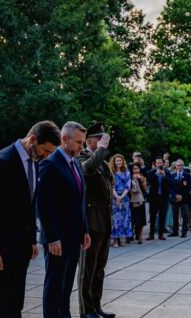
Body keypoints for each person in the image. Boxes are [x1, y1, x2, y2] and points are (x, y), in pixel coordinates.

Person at [0, 121, 60, 317]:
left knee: (15, 304)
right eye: (45, 150)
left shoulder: (34, 163)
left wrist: (31, 240)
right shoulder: (2, 161)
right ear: (32, 139)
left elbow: (28, 204)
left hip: (20, 249)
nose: (46, 156)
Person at [37, 121, 92, 318]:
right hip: (57, 240)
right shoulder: (49, 164)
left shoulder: (76, 163)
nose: (81, 147)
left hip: (74, 237)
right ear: (64, 139)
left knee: (67, 286)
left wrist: (85, 230)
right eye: (78, 142)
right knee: (54, 286)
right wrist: (52, 237)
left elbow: (80, 199)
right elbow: (44, 205)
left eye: (83, 142)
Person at [76, 122, 115, 318]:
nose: (102, 142)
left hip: (104, 221)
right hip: (91, 222)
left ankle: (96, 306)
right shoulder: (82, 157)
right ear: (89, 141)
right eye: (98, 139)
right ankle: (86, 310)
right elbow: (86, 170)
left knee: (99, 269)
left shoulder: (103, 162)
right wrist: (100, 150)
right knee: (87, 270)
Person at [110, 154, 132, 247]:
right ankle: (115, 240)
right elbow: (111, 186)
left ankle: (120, 239)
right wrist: (117, 197)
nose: (118, 162)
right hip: (114, 197)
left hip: (124, 198)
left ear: (123, 161)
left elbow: (128, 185)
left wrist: (121, 196)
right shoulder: (111, 172)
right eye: (117, 161)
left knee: (124, 219)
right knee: (115, 219)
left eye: (120, 160)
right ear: (114, 162)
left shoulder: (126, 172)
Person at [147, 157, 171, 240]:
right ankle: (151, 234)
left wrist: (164, 176)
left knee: (162, 216)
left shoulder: (167, 172)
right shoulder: (152, 172)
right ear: (155, 164)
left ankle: (161, 234)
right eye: (158, 163)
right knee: (153, 216)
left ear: (163, 164)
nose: (159, 164)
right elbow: (150, 182)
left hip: (163, 198)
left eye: (161, 163)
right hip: (154, 198)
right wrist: (156, 174)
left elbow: (170, 183)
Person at [169, 159, 191, 238]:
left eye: (181, 165)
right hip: (175, 198)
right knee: (175, 216)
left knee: (185, 215)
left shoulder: (187, 175)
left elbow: (188, 187)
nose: (180, 167)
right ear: (175, 166)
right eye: (178, 165)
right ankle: (175, 231)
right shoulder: (172, 175)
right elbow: (170, 187)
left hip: (184, 198)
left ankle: (184, 232)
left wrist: (181, 196)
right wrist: (175, 195)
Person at [129, 163, 148, 244]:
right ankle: (130, 235)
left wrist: (142, 181)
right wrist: (133, 181)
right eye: (134, 169)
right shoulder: (129, 178)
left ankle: (140, 237)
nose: (136, 170)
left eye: (137, 168)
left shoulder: (142, 177)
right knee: (133, 219)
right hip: (132, 200)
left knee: (141, 219)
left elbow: (145, 189)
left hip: (141, 200)